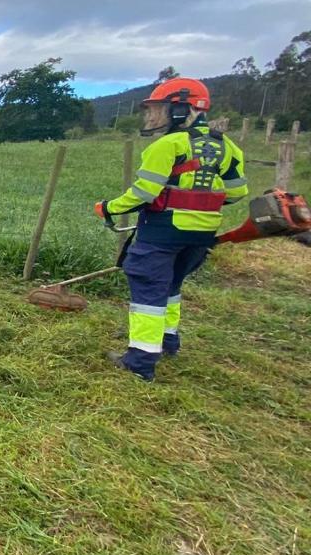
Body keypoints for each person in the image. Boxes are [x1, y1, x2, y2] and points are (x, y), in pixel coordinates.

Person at [95, 78, 247, 381]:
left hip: (162, 233)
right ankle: (168, 342)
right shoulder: (227, 147)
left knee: (149, 291)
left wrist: (109, 208)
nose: (152, 117)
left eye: (158, 110)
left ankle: (139, 361)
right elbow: (237, 193)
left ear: (181, 109)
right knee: (172, 287)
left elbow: (143, 193)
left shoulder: (167, 145)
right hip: (201, 236)